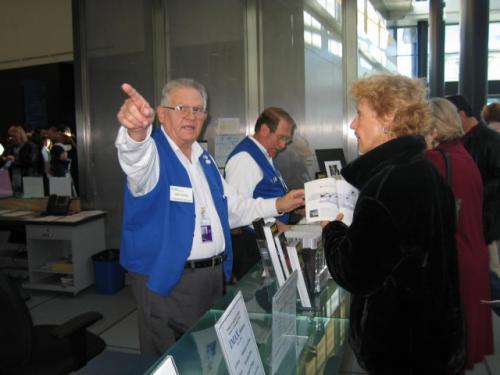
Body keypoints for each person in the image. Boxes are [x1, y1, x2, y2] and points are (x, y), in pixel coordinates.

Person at [115, 78, 304, 356]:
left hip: (212, 278)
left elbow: (232, 208)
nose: (191, 116)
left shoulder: (202, 157)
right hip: (170, 280)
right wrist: (135, 133)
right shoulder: (153, 152)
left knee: (205, 358)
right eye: (182, 108)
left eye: (198, 110)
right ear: (162, 113)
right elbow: (135, 159)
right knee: (173, 360)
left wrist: (278, 204)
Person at [321, 74, 465, 374]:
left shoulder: (387, 185)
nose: (353, 125)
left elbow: (355, 273)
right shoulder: (423, 171)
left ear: (388, 118)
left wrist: (331, 230)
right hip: (431, 338)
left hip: (402, 348)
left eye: (360, 114)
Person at [423, 97, 493, 370]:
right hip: (472, 253)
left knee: (445, 349)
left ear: (433, 129)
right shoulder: (461, 155)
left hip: (454, 258)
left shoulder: (437, 160)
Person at [224, 107, 295, 280]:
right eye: (281, 138)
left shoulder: (264, 155)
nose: (283, 145)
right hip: (252, 246)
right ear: (264, 130)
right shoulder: (244, 159)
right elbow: (237, 211)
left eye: (287, 140)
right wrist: (279, 226)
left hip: (268, 238)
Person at [446, 95, 500, 278]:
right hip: (469, 222)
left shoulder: (490, 140)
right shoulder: (459, 141)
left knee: (488, 274)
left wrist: (474, 193)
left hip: (484, 222)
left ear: (461, 115)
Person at [2, 125, 42, 193]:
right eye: (11, 137)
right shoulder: (9, 147)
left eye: (15, 136)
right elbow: (3, 158)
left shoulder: (31, 146)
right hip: (12, 179)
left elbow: (32, 161)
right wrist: (4, 159)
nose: (13, 139)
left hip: (29, 178)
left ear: (21, 136)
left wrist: (15, 160)